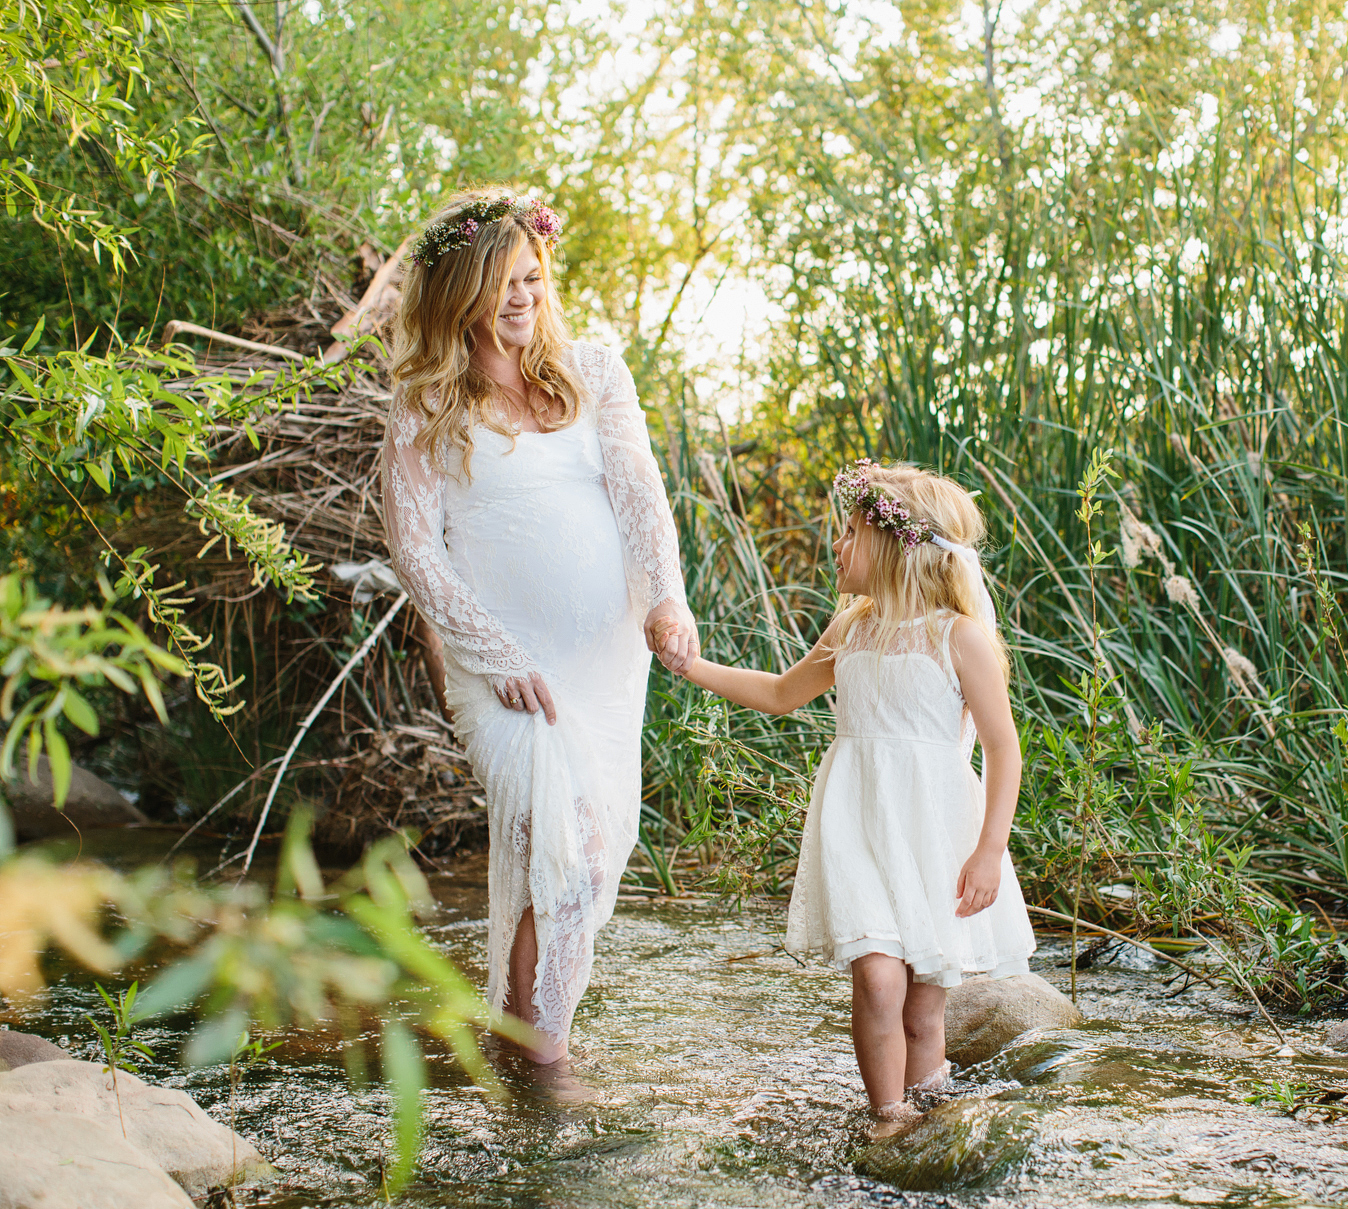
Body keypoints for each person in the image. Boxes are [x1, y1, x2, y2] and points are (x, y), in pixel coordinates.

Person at [380, 187, 698, 1067]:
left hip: (604, 661)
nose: (522, 297)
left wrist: (667, 595)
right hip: (503, 667)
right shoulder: (423, 403)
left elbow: (640, 497)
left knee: (577, 852)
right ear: (458, 295)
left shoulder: (594, 371)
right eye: (500, 283)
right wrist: (495, 652)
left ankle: (518, 1032)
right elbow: (415, 551)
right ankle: (551, 1056)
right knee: (574, 854)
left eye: (531, 277)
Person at [670, 459, 1036, 1128]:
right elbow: (781, 694)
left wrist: (990, 849)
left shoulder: (959, 637)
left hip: (934, 835)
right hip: (859, 826)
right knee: (878, 977)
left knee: (925, 1006)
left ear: (895, 544)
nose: (835, 546)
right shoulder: (850, 628)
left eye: (847, 532)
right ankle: (888, 1118)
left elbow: (1005, 748)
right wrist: (691, 666)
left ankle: (933, 1115)